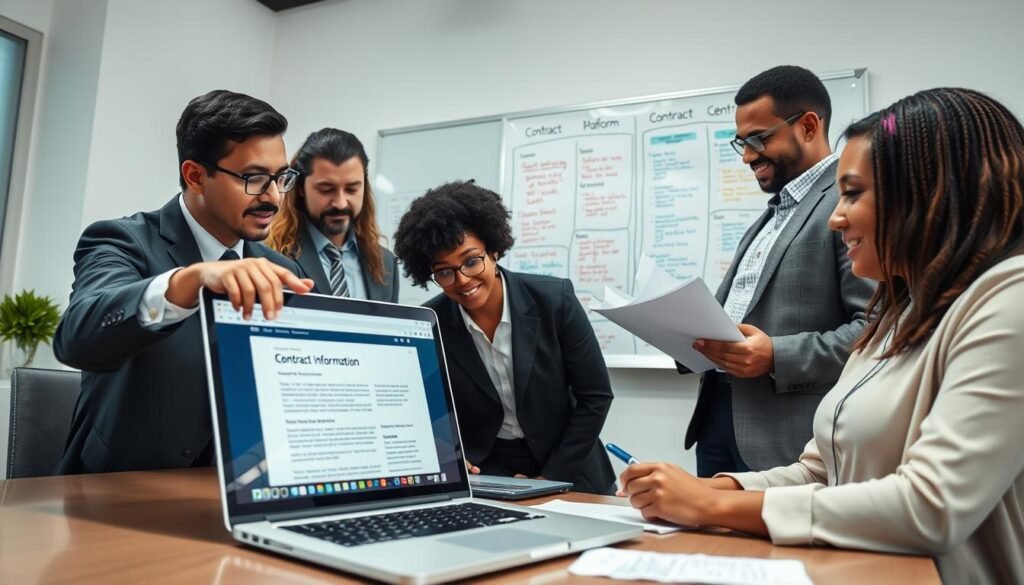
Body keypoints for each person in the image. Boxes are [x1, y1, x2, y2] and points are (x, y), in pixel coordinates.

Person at [620, 87, 1024, 584]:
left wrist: (706, 504)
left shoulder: (1010, 300)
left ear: (929, 190)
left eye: (853, 194)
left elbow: (931, 506)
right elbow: (819, 470)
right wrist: (717, 487)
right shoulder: (896, 316)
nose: (836, 217)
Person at [55, 90, 313, 474]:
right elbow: (77, 338)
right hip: (114, 497)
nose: (274, 198)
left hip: (237, 497)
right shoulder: (122, 240)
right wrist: (188, 280)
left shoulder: (283, 271)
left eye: (281, 178)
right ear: (195, 176)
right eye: (255, 178)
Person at [685, 65, 874, 476]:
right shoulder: (768, 217)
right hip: (718, 418)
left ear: (808, 126)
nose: (750, 155)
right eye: (742, 143)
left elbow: (875, 328)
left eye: (759, 138)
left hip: (789, 438)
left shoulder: (846, 208)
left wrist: (777, 356)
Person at [393, 181, 616, 494]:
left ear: (494, 249)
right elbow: (426, 409)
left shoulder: (555, 300)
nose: (463, 280)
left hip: (572, 465)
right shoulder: (431, 323)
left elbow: (596, 397)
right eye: (445, 272)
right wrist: (450, 454)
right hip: (489, 470)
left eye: (472, 261)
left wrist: (552, 475)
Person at [266, 128, 398, 302]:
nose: (340, 203)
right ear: (300, 188)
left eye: (352, 189)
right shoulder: (270, 255)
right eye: (326, 190)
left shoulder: (386, 263)